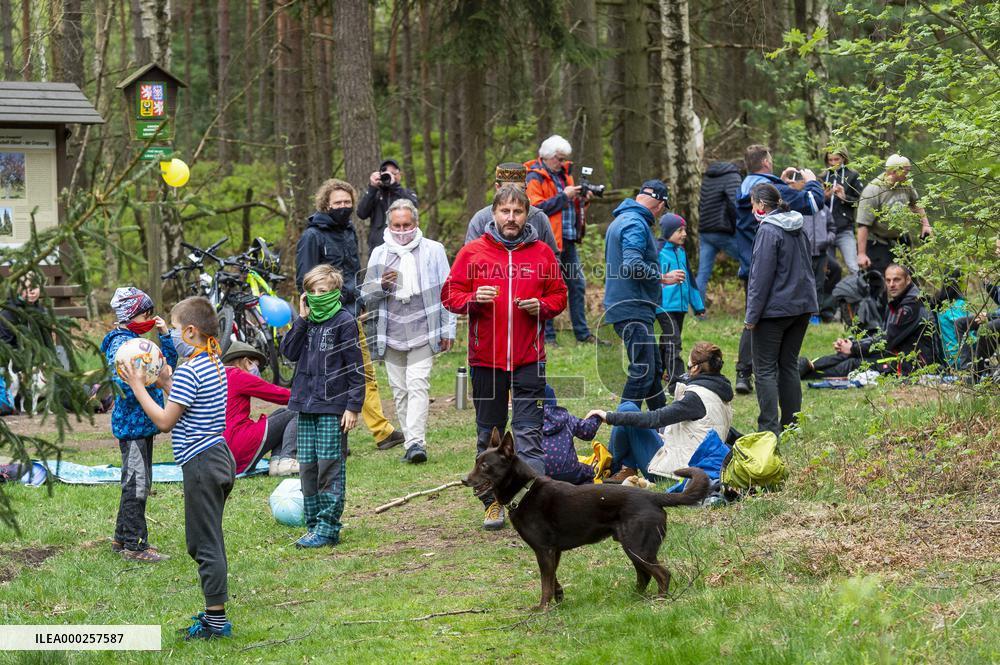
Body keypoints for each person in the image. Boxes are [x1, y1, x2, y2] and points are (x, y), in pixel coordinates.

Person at [441, 184, 567, 530]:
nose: (511, 218)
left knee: (529, 433)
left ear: (528, 215)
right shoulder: (473, 252)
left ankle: (540, 505)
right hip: (485, 359)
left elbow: (559, 295)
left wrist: (541, 307)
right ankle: (492, 503)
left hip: (529, 357)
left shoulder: (541, 253)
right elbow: (450, 294)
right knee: (489, 434)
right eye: (505, 212)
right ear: (493, 215)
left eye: (518, 212)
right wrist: (472, 298)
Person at [119, 296, 235, 639]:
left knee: (205, 543)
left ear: (189, 331)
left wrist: (139, 387)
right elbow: (189, 400)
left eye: (172, 328)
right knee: (204, 539)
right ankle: (214, 614)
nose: (169, 335)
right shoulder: (213, 363)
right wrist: (163, 383)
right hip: (218, 456)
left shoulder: (189, 371)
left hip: (202, 464)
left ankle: (216, 623)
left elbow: (166, 420)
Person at [296, 179, 405, 451]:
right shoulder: (312, 236)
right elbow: (305, 278)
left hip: (351, 312)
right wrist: (313, 313)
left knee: (360, 370)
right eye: (337, 203)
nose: (343, 207)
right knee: (334, 373)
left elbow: (354, 273)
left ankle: (381, 431)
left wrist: (360, 300)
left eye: (347, 202)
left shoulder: (349, 232)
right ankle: (357, 432)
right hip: (324, 317)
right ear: (326, 204)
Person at [361, 198, 455, 464]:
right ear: (389, 226)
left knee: (417, 384)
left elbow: (447, 291)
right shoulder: (380, 252)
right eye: (397, 225)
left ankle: (416, 443)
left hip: (424, 329)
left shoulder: (433, 250)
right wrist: (382, 284)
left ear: (416, 223)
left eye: (407, 225)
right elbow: (366, 294)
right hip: (390, 331)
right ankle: (410, 442)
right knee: (399, 389)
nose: (402, 231)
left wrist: (448, 328)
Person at [280, 265, 364, 548]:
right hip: (306, 405)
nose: (317, 296)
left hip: (333, 406)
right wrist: (301, 320)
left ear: (336, 292)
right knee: (308, 467)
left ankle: (329, 527)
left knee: (330, 466)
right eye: (312, 292)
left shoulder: (344, 321)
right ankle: (314, 524)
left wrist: (353, 406)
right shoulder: (308, 322)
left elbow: (355, 367)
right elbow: (288, 352)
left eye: (323, 291)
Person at [733, 144, 825, 394]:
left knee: (753, 316)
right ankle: (760, 375)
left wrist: (780, 185)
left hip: (750, 263)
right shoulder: (764, 195)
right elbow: (814, 203)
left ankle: (743, 371)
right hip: (776, 269)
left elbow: (776, 200)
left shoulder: (746, 187)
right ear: (765, 162)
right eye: (771, 158)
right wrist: (812, 182)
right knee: (760, 323)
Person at [100, 287, 178, 564]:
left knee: (137, 482)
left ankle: (122, 537)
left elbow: (167, 365)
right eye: (146, 313)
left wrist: (166, 336)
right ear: (131, 315)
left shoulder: (137, 339)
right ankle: (135, 545)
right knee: (137, 485)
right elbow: (120, 379)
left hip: (143, 427)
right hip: (132, 428)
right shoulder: (120, 344)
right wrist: (147, 380)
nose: (150, 318)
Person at [586, 342, 734, 484]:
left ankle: (610, 467)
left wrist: (609, 417)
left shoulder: (695, 397)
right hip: (694, 466)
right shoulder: (720, 394)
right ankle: (626, 469)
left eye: (688, 366)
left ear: (695, 368)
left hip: (675, 473)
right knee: (631, 413)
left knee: (626, 408)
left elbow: (656, 418)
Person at [745, 183, 817, 438]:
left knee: (764, 369)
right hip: (801, 306)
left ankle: (768, 428)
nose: (752, 209)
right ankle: (792, 424)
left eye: (753, 204)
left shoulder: (768, 231)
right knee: (787, 364)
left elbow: (760, 277)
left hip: (774, 310)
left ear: (762, 205)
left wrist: (751, 316)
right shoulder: (799, 226)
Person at [604, 179, 680, 412]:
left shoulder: (621, 219)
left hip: (629, 305)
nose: (660, 215)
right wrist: (662, 277)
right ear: (659, 203)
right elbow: (632, 265)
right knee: (643, 371)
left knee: (653, 369)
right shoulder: (636, 224)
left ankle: (663, 423)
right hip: (632, 307)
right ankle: (622, 428)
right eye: (663, 209)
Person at [801, 264, 942, 379]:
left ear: (908, 280)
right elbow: (885, 336)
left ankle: (804, 374)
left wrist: (854, 347)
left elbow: (887, 340)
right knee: (847, 354)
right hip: (897, 353)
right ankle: (807, 365)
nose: (891, 284)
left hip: (915, 364)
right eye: (888, 280)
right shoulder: (899, 301)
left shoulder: (911, 306)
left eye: (897, 280)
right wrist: (852, 344)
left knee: (855, 363)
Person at [524, 135, 600, 346]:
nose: (562, 162)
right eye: (559, 158)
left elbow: (569, 208)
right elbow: (535, 209)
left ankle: (583, 334)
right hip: (546, 242)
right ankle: (548, 337)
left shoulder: (565, 175)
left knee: (577, 285)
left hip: (568, 240)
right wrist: (565, 196)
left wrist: (581, 201)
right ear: (546, 157)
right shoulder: (534, 177)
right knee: (547, 287)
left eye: (564, 158)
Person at [221, 341, 298, 477]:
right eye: (255, 365)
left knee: (281, 414)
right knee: (296, 410)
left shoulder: (219, 376)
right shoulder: (237, 375)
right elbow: (277, 393)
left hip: (222, 453)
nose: (256, 370)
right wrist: (309, 396)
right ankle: (287, 459)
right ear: (246, 361)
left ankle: (276, 462)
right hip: (239, 444)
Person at [856, 154, 932, 274]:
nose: (909, 175)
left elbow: (915, 203)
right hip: (878, 243)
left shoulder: (906, 183)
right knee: (884, 283)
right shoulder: (873, 190)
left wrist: (926, 224)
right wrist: (861, 254)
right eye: (906, 172)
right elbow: (863, 225)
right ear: (893, 172)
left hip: (901, 241)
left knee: (907, 278)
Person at [465, 162, 558, 255]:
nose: (514, 194)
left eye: (520, 190)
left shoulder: (539, 218)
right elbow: (469, 258)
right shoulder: (481, 219)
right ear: (498, 187)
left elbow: (553, 258)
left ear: (526, 188)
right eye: (508, 189)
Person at [656, 214, 705, 392]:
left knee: (667, 342)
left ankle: (658, 371)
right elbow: (651, 278)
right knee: (674, 342)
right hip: (663, 306)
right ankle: (677, 383)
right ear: (667, 232)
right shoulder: (658, 250)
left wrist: (697, 305)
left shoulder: (681, 251)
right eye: (679, 230)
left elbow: (690, 280)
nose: (684, 234)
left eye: (685, 229)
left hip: (681, 307)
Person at [788, 171, 835, 324]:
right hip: (803, 254)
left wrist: (827, 240)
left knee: (819, 284)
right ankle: (800, 315)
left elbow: (832, 229)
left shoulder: (825, 210)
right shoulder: (800, 208)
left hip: (821, 253)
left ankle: (816, 314)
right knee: (802, 284)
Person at [695, 160, 742, 301]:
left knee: (702, 273)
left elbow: (701, 203)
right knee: (752, 261)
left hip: (705, 230)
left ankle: (698, 313)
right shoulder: (733, 176)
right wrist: (737, 229)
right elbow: (735, 205)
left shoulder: (708, 176)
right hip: (723, 230)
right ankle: (756, 309)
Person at [357, 158, 419, 257]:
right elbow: (361, 213)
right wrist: (372, 188)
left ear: (400, 175)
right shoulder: (375, 194)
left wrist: (394, 186)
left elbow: (414, 207)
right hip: (378, 247)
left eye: (393, 173)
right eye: (386, 174)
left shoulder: (406, 193)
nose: (390, 176)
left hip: (405, 248)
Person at [540, 384, 601, 484]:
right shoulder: (566, 418)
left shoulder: (529, 422)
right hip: (568, 471)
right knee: (588, 472)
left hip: (537, 472)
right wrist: (596, 416)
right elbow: (588, 432)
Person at [820, 148, 863, 274]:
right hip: (825, 230)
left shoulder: (853, 176)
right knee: (827, 269)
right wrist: (824, 197)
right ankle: (831, 293)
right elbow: (814, 204)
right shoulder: (822, 177)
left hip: (845, 229)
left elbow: (861, 201)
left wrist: (845, 198)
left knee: (853, 266)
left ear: (843, 158)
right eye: (830, 160)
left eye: (836, 159)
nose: (833, 163)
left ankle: (861, 292)